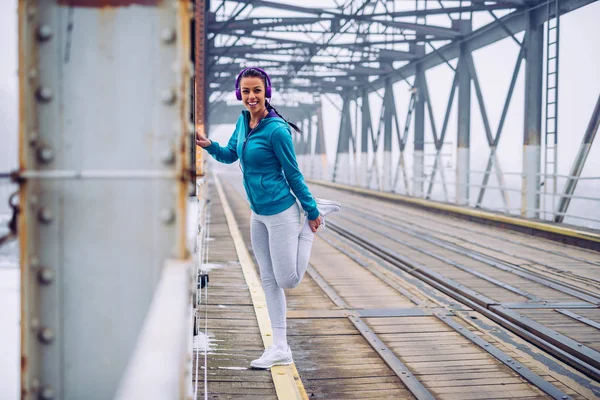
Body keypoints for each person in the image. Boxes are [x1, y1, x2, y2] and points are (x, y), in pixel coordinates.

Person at [196, 67, 341, 369]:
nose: (251, 96)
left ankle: (310, 225)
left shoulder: (277, 130)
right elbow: (229, 154)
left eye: (257, 91)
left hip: (282, 211)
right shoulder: (242, 121)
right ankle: (280, 348)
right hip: (258, 213)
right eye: (246, 91)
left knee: (287, 279)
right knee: (268, 280)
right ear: (240, 93)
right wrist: (208, 144)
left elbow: (293, 174)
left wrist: (311, 212)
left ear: (266, 92)